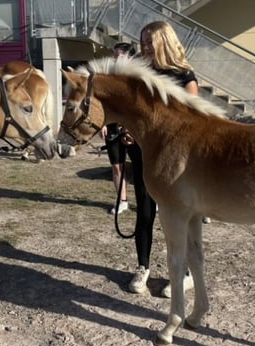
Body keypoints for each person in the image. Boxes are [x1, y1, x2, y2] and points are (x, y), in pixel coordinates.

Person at [126, 21, 198, 298]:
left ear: (164, 42)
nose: (145, 47)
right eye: (143, 42)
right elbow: (132, 113)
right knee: (144, 213)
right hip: (143, 154)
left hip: (174, 160)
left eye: (150, 42)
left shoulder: (184, 76)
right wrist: (128, 131)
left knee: (178, 215)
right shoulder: (139, 74)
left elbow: (192, 120)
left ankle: (185, 273)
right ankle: (142, 266)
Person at [100, 42, 136, 215]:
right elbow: (103, 103)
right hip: (113, 128)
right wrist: (103, 123)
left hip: (134, 129)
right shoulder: (109, 78)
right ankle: (122, 201)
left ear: (130, 57)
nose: (114, 59)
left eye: (118, 56)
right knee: (116, 166)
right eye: (113, 56)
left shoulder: (138, 78)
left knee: (142, 167)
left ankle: (152, 200)